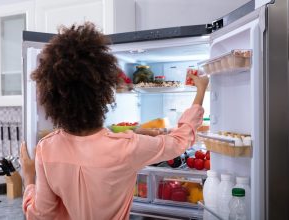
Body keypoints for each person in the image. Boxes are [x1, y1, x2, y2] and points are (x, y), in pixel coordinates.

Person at [20, 22, 209, 220]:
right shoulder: (128, 148)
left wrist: (29, 178)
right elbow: (179, 142)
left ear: (51, 97)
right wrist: (201, 90)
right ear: (104, 93)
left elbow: (41, 215)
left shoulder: (46, 149)